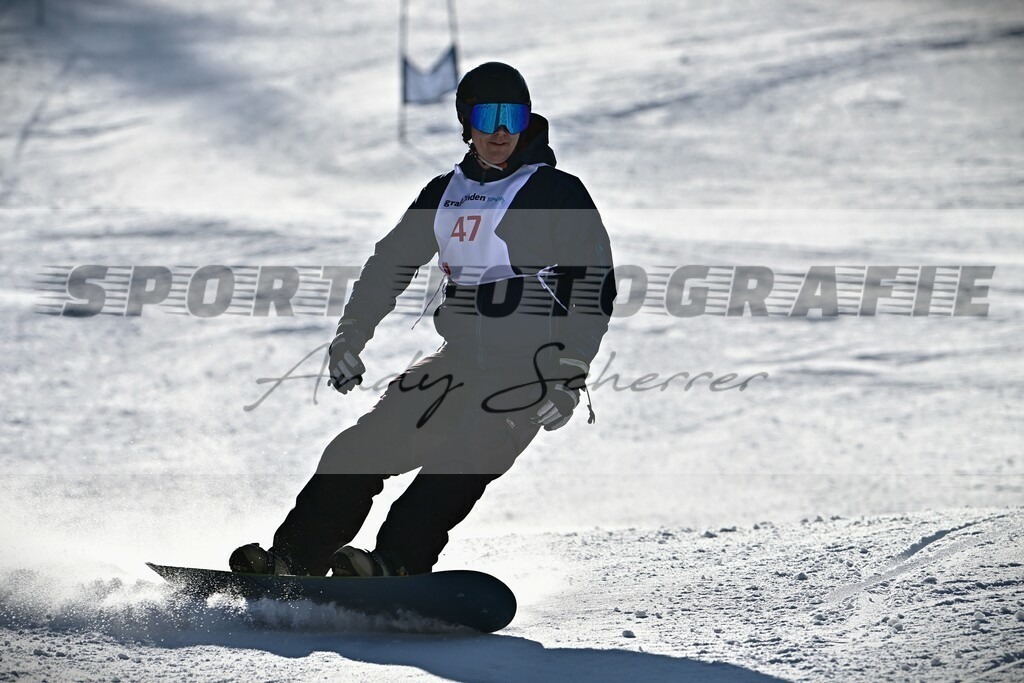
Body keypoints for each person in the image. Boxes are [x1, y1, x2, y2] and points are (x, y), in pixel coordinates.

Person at [230, 62, 615, 577]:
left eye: (514, 117)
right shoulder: (444, 193)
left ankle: (393, 568)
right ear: (466, 123)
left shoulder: (557, 193)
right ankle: (290, 563)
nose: (502, 131)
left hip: (528, 373)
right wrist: (351, 336)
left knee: (456, 467)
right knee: (356, 452)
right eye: (489, 116)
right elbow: (389, 264)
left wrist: (569, 377)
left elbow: (593, 286)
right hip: (457, 363)